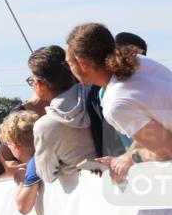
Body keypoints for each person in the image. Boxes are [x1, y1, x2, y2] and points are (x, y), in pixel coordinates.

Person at [66, 23, 172, 183]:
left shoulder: (115, 104)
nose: (69, 69)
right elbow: (154, 123)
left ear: (83, 64)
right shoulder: (139, 62)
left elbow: (167, 149)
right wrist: (124, 156)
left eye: (69, 63)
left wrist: (131, 160)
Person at [25, 45, 97, 184]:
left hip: (79, 196)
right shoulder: (97, 96)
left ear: (40, 85)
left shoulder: (45, 126)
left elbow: (46, 175)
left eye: (31, 80)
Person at [0, 111, 42, 215]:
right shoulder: (42, 154)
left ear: (17, 146)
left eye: (9, 146)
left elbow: (23, 207)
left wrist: (22, 181)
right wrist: (13, 171)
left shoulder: (35, 162)